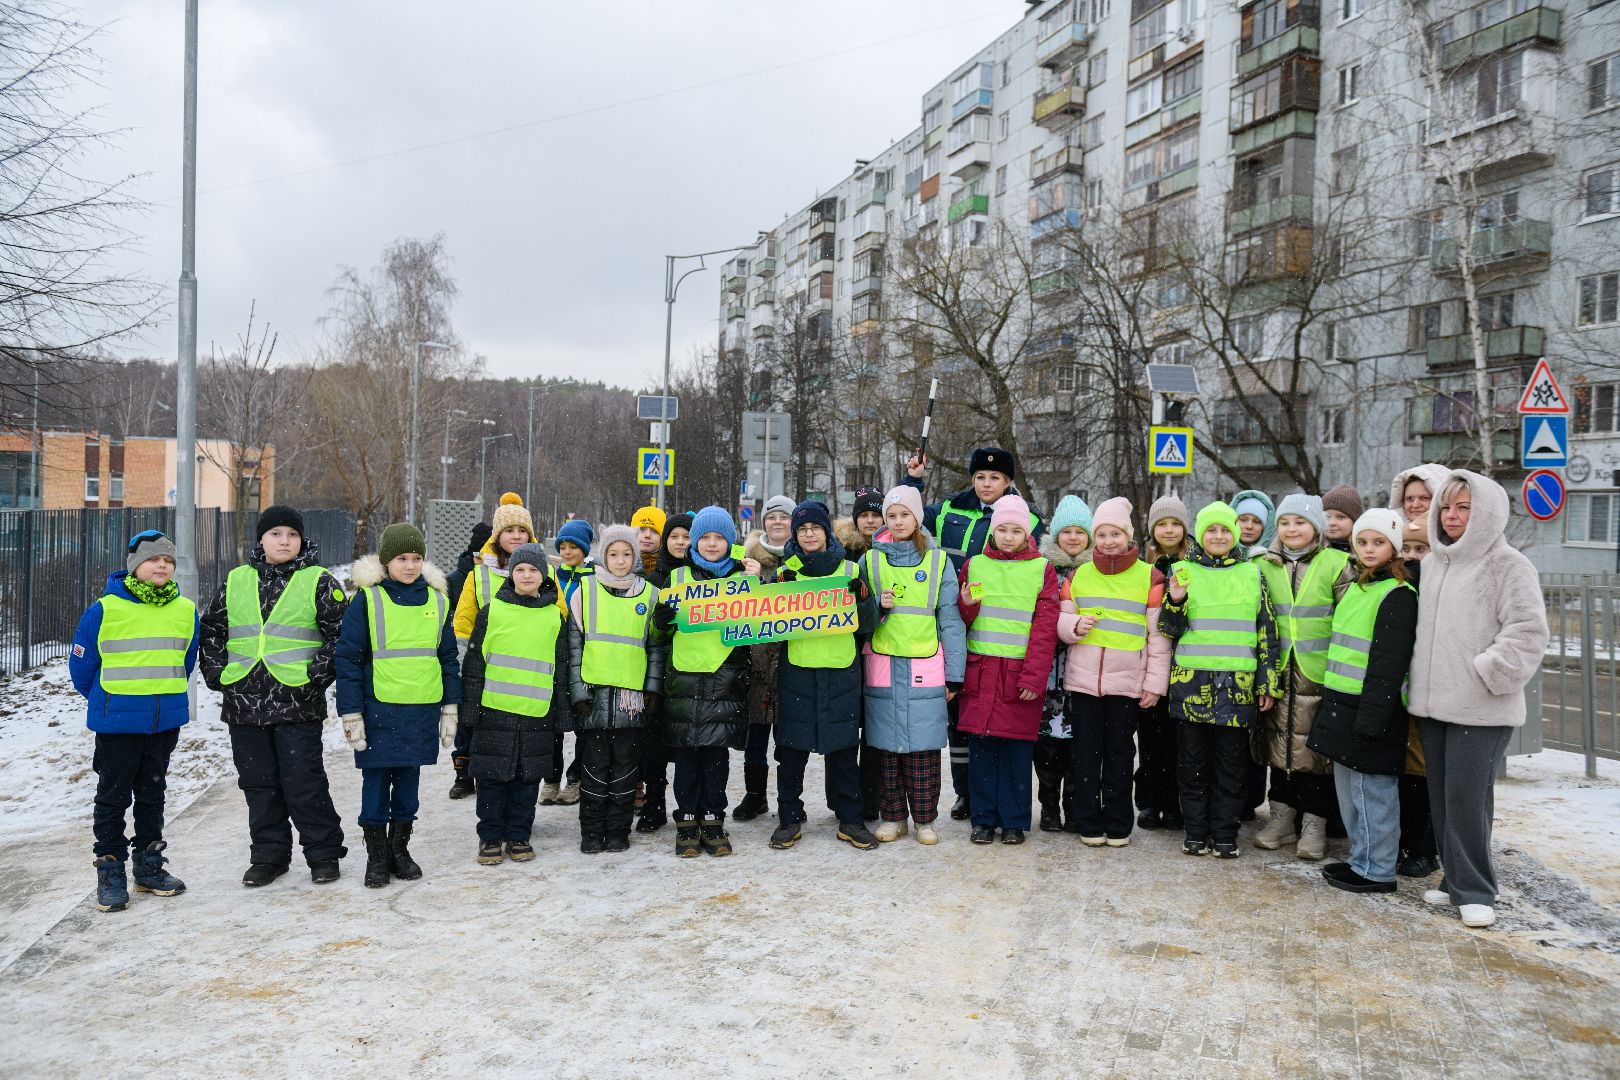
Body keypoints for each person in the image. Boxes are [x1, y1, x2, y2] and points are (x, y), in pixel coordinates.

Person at [1408, 471, 1548, 928]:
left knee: (1469, 799)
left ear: (1484, 512)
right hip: (1432, 705)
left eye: (1463, 507)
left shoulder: (1507, 564)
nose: (1451, 516)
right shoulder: (1432, 563)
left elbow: (1528, 631)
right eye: (1446, 507)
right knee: (1443, 799)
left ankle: (1476, 890)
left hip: (1481, 706)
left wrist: (1489, 672)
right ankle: (1454, 881)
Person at [199, 505, 349, 888]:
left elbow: (340, 636)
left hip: (297, 702)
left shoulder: (318, 580)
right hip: (244, 703)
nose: (285, 541)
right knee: (258, 783)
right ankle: (269, 855)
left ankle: (323, 854)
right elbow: (212, 629)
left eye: (292, 535)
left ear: (302, 541)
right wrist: (218, 675)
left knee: (304, 782)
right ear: (261, 539)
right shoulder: (236, 579)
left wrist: (315, 677)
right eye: (276, 534)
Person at [902, 446, 1044, 822]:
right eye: (980, 476)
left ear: (1008, 482)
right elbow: (908, 518)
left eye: (995, 478)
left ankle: (999, 802)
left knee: (992, 722)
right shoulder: (949, 508)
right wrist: (912, 480)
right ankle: (966, 793)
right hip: (949, 622)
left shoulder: (1024, 518)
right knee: (960, 718)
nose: (986, 483)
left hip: (994, 631)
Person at [70, 530, 199, 912]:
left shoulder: (185, 610)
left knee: (152, 795)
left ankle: (149, 866)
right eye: (153, 558)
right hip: (118, 725)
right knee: (112, 798)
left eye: (169, 560)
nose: (162, 564)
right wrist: (110, 701)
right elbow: (82, 667)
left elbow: (185, 661)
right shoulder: (104, 609)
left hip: (163, 723)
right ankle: (110, 871)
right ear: (133, 566)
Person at [335, 523, 461, 888]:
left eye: (417, 558)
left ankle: (400, 850)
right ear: (386, 561)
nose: (410, 566)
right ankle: (377, 856)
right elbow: (348, 659)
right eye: (401, 558)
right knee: (375, 784)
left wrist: (450, 707)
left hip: (420, 711)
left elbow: (448, 658)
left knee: (408, 785)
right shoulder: (367, 600)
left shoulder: (438, 601)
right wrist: (351, 712)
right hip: (378, 711)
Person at [1158, 502, 1282, 858]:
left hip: (1237, 689)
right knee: (1192, 766)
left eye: (1225, 530)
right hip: (1191, 686)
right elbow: (1168, 629)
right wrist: (1176, 601)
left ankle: (1225, 834)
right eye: (1211, 530)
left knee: (1231, 767)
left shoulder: (1251, 573)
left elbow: (1266, 631)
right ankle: (1196, 832)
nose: (1218, 536)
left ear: (1234, 535)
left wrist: (1266, 683)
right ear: (1200, 533)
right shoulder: (1182, 570)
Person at [1307, 509, 1418, 894]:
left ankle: (1378, 869)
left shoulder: (1398, 595)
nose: (1369, 549)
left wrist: (1372, 718)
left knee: (1373, 792)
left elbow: (1388, 663)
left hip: (1373, 709)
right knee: (1351, 790)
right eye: (1363, 541)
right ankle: (1361, 859)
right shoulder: (1359, 586)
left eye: (1379, 542)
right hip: (1343, 702)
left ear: (1395, 548)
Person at [1057, 497, 1170, 848]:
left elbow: (1158, 638)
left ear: (1128, 536)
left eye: (1115, 534)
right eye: (1102, 534)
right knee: (1086, 755)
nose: (1108, 541)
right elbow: (1061, 622)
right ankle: (1089, 821)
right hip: (1084, 683)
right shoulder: (1077, 576)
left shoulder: (1148, 577)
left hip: (1127, 685)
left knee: (1120, 755)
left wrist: (1154, 684)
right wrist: (1074, 625)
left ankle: (1119, 823)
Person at [859, 485, 966, 846]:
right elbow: (854, 617)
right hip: (883, 664)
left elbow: (950, 619)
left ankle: (924, 819)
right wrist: (877, 606)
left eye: (905, 514)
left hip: (926, 665)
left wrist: (955, 672)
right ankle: (892, 817)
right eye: (892, 515)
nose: (899, 521)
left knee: (923, 749)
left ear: (917, 518)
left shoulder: (938, 562)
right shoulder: (870, 561)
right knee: (887, 750)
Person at [771, 500, 880, 851]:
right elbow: (769, 626)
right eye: (802, 530)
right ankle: (789, 818)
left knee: (844, 752)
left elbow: (868, 623)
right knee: (791, 752)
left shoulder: (849, 570)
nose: (808, 534)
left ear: (826, 532)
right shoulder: (785, 572)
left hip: (840, 673)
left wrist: (864, 600)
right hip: (798, 673)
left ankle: (850, 818)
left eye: (814, 528)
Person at [1253, 494, 1355, 861]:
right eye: (1284, 523)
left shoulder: (1338, 564)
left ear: (1316, 527)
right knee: (1276, 744)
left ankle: (1315, 825)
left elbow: (1350, 618)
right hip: (1277, 668)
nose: (1291, 529)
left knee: (1315, 752)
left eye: (1300, 522)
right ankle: (1280, 817)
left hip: (1321, 671)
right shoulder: (1264, 565)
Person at [956, 494, 1062, 845]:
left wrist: (1034, 677)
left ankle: (1015, 820)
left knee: (1017, 753)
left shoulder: (1041, 569)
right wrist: (967, 606)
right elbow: (964, 620)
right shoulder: (975, 565)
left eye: (1016, 530)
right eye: (1001, 529)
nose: (1007, 536)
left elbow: (1045, 628)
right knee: (982, 751)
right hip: (982, 671)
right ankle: (983, 819)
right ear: (992, 530)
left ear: (1027, 532)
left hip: (1020, 676)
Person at [654, 506, 759, 857]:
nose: (712, 544)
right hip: (684, 681)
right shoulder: (678, 578)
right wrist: (661, 619)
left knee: (716, 758)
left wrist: (758, 582)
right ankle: (686, 822)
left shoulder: (742, 580)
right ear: (694, 541)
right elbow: (658, 633)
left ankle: (713, 819)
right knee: (686, 758)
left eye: (719, 538)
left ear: (730, 542)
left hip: (723, 682)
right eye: (705, 537)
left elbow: (762, 624)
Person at [459, 543, 569, 866]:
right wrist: (470, 710)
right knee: (492, 780)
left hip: (537, 714)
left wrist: (562, 714)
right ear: (511, 573)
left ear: (544, 575)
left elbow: (560, 668)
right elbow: (475, 664)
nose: (526, 575)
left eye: (533, 570)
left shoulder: (553, 616)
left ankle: (519, 835)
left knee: (526, 781)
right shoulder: (492, 611)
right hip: (494, 712)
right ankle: (490, 837)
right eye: (520, 569)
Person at [568, 525, 665, 854]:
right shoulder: (585, 591)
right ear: (603, 555)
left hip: (631, 703)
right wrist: (579, 691)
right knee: (594, 769)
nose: (620, 560)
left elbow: (655, 647)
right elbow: (574, 647)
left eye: (627, 554)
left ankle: (618, 831)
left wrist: (652, 689)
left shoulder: (649, 594)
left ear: (635, 557)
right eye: (613, 554)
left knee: (625, 770)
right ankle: (592, 831)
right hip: (594, 700)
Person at [450, 494, 536, 799]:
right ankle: (465, 773)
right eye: (509, 530)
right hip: (484, 671)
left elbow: (559, 618)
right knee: (474, 728)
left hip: (527, 674)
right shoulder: (478, 576)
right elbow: (462, 626)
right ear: (497, 536)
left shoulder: (542, 573)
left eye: (522, 530)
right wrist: (465, 670)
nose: (516, 536)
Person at [1389, 462, 1449, 877]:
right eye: (1408, 498)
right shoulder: (1393, 577)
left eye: (1423, 498)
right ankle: (1399, 841)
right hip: (1397, 687)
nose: (1415, 505)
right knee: (1399, 768)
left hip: (1434, 687)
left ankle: (1424, 846)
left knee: (1424, 769)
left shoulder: (1448, 572)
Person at [1034, 494, 1092, 832]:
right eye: (1066, 531)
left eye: (1079, 532)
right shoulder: (1043, 570)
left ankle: (1073, 805)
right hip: (1048, 674)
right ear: (1056, 536)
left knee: (1077, 745)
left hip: (1081, 672)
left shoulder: (1096, 572)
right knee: (1046, 747)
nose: (1072, 537)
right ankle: (1048, 807)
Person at [738, 494, 794, 822]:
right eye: (771, 517)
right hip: (756, 664)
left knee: (786, 742)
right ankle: (755, 796)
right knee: (755, 739)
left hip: (789, 663)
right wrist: (753, 579)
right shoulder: (746, 560)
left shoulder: (803, 562)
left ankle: (788, 799)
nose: (777, 522)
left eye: (783, 517)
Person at [1136, 494, 1191, 831]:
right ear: (1153, 529)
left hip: (1185, 663)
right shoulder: (1143, 566)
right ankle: (1148, 802)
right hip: (1148, 663)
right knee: (1150, 738)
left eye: (1175, 524)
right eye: (1162, 524)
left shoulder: (1195, 562)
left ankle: (1173, 803)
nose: (1169, 530)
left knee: (1178, 742)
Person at [636, 511, 692, 833]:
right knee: (654, 746)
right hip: (659, 671)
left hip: (691, 671)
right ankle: (654, 806)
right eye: (674, 537)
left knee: (684, 746)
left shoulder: (702, 579)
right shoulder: (652, 580)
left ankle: (686, 807)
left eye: (686, 537)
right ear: (665, 541)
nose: (680, 542)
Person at [835, 485, 885, 820]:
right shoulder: (843, 553)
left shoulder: (891, 552)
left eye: (875, 514)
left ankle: (871, 798)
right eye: (863, 515)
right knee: (843, 731)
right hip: (847, 650)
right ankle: (841, 798)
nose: (869, 521)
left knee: (874, 730)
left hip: (882, 648)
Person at [1231, 488, 1276, 818]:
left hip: (1258, 652)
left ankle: (1250, 798)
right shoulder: (1221, 555)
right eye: (1242, 519)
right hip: (1228, 654)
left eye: (1255, 522)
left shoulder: (1268, 560)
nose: (1248, 527)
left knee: (1254, 732)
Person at [547, 517, 595, 805]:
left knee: (582, 723)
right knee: (552, 723)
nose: (567, 552)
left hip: (582, 655)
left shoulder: (594, 577)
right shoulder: (551, 576)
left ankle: (576, 778)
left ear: (584, 549)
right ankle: (550, 779)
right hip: (554, 655)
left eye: (572, 547)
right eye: (562, 547)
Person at [446, 521, 492, 624]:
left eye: (488, 559)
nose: (483, 563)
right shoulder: (452, 582)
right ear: (472, 557)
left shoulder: (501, 579)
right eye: (479, 558)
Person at [1232, 489, 1276, 560]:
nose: (1249, 526)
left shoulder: (1274, 559)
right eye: (1243, 520)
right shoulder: (1217, 556)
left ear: (1265, 527)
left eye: (1257, 521)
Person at [1321, 485, 1364, 555]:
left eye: (1340, 517)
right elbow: (1295, 563)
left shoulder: (1367, 553)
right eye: (1327, 516)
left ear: (1355, 522)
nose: (1331, 523)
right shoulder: (1307, 550)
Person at [631, 505, 667, 578]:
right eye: (642, 529)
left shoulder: (669, 568)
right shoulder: (618, 563)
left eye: (655, 531)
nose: (647, 535)